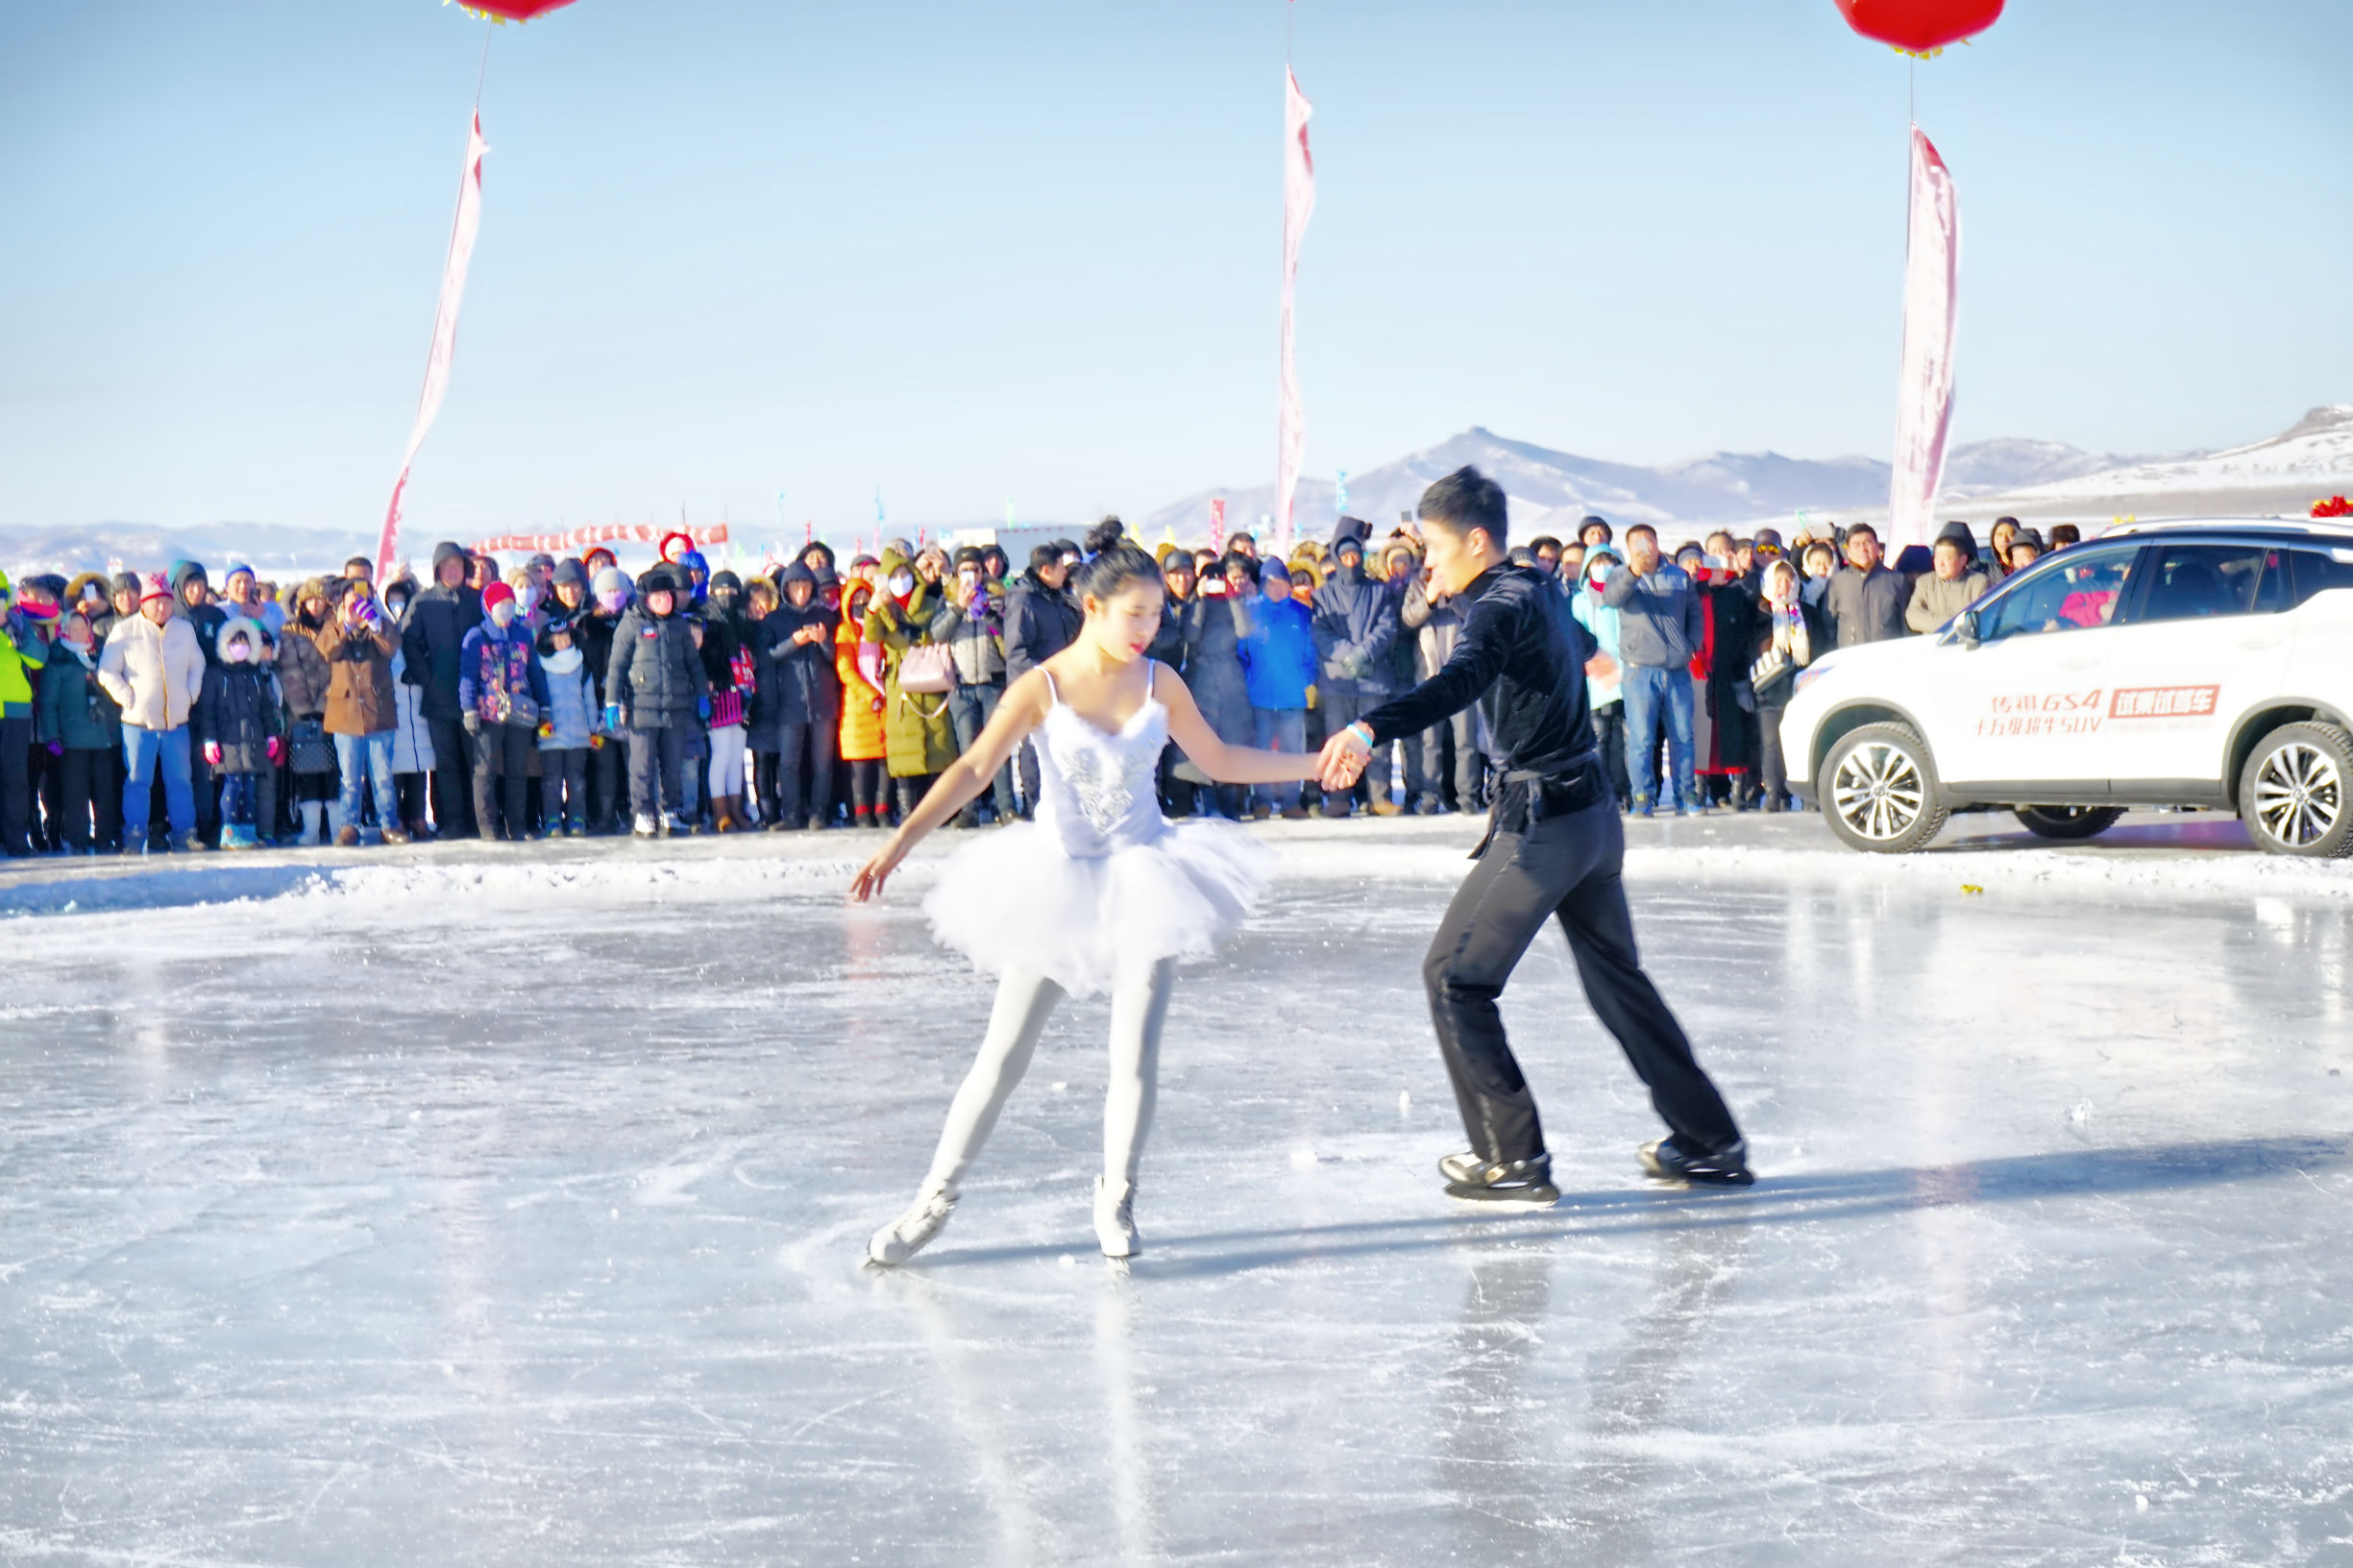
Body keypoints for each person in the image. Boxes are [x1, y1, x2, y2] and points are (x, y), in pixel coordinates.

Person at [851, 542, 1325, 1266]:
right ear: (1091, 607)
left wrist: (1313, 764)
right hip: (1057, 880)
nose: (1146, 628)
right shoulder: (1041, 685)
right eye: (1133, 614)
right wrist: (902, 841)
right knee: (1002, 1057)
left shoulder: (1160, 681)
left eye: (1157, 614)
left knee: (1134, 1054)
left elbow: (1219, 759)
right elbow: (977, 766)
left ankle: (1116, 1194)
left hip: (1146, 877)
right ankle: (932, 1202)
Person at [1319, 466, 1752, 1205]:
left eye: (1433, 547)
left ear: (1476, 541)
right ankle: (1710, 1139)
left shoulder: (1498, 603)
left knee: (1453, 978)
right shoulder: (1537, 587)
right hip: (1592, 819)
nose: (1425, 563)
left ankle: (1510, 1156)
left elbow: (1458, 681)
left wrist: (1368, 725)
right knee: (1619, 985)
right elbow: (1583, 643)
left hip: (1545, 823)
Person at [98, 574, 207, 854]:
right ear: (144, 604)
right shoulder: (125, 631)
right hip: (138, 723)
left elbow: (198, 664)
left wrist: (190, 693)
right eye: (155, 603)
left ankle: (185, 833)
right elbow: (107, 672)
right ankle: (134, 836)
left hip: (176, 723)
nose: (161, 608)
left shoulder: (184, 630)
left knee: (180, 780)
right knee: (137, 780)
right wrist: (128, 698)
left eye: (166, 602)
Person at [1602, 524, 1703, 816]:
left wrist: (1691, 644)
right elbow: (1611, 599)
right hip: (1640, 670)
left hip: (1676, 669)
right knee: (1641, 738)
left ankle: (1687, 793)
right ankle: (1642, 796)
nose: (1644, 549)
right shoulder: (1620, 575)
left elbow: (1694, 612)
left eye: (1649, 543)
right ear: (1629, 548)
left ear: (1657, 544)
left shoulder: (1679, 576)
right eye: (1637, 544)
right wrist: (1634, 572)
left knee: (1683, 735)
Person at [1311, 525, 1405, 817]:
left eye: (1355, 555)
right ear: (1338, 559)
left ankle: (1379, 798)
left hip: (1372, 678)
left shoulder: (1379, 591)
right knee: (1337, 742)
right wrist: (1345, 654)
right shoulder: (1323, 595)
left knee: (1376, 744)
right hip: (1337, 681)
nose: (1351, 560)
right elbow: (1320, 630)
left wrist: (1364, 653)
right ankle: (1339, 799)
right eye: (1345, 556)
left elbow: (1387, 626)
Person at [606, 565, 707, 838]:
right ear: (645, 599)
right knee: (642, 765)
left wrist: (701, 695)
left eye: (668, 596)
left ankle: (670, 810)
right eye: (658, 596)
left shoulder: (679, 625)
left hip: (675, 707)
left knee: (672, 764)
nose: (664, 600)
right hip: (641, 709)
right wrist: (612, 702)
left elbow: (694, 664)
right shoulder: (631, 624)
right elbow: (616, 666)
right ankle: (642, 813)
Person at [866, 548, 957, 824]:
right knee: (904, 750)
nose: (901, 579)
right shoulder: (883, 609)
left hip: (931, 678)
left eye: (905, 574)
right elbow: (872, 636)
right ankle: (909, 811)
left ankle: (941, 810)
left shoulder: (929, 603)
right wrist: (872, 608)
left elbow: (948, 615)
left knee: (939, 742)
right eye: (895, 575)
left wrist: (944, 573)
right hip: (900, 684)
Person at [317, 581, 408, 845]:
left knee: (382, 774)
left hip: (378, 711)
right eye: (350, 604)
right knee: (349, 776)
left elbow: (391, 647)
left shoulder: (382, 626)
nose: (356, 609)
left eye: (361, 603)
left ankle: (389, 824)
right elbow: (327, 650)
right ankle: (349, 825)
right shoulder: (332, 628)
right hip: (345, 713)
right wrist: (345, 625)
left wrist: (376, 625)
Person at [402, 542, 482, 839]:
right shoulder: (422, 602)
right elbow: (408, 640)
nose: (453, 570)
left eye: (458, 565)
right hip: (438, 697)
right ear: (437, 570)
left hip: (474, 698)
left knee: (476, 763)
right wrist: (426, 676)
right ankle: (453, 822)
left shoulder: (478, 601)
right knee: (447, 765)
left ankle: (479, 821)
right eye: (446, 565)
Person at [931, 546, 1016, 827]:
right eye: (965, 570)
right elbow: (937, 633)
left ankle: (1006, 808)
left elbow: (1007, 634)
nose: (971, 575)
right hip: (962, 684)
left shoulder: (998, 597)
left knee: (998, 747)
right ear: (956, 572)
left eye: (976, 570)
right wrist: (959, 608)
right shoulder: (947, 600)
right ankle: (969, 809)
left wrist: (989, 614)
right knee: (968, 751)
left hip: (994, 680)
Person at [459, 580, 549, 841]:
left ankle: (516, 825)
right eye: (500, 604)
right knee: (484, 770)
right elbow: (467, 676)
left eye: (510, 604)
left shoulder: (523, 635)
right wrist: (468, 709)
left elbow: (534, 672)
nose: (506, 609)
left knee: (516, 770)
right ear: (489, 606)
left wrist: (544, 705)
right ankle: (488, 826)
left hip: (520, 711)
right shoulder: (476, 636)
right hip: (487, 713)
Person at [191, 617, 283, 851]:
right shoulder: (214, 675)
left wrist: (271, 735)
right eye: (235, 642)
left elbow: (265, 708)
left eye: (244, 641)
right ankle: (229, 830)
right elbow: (207, 710)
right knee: (231, 786)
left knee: (250, 786)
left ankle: (248, 828)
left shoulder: (254, 675)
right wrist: (210, 739)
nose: (239, 646)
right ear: (225, 644)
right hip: (228, 741)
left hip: (253, 741)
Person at [759, 562, 839, 831]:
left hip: (823, 700)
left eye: (805, 585)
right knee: (788, 763)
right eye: (795, 586)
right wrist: (795, 642)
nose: (801, 591)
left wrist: (823, 640)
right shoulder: (774, 620)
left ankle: (819, 813)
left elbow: (835, 657)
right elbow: (766, 656)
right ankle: (791, 814)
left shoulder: (825, 616)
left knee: (822, 763)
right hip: (790, 701)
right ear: (786, 590)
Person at [34, 611, 123, 853]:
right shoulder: (58, 660)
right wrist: (52, 736)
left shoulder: (102, 656)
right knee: (76, 794)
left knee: (105, 792)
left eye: (83, 628)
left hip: (104, 737)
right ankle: (77, 840)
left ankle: (106, 838)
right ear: (65, 631)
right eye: (73, 629)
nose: (79, 633)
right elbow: (48, 703)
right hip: (72, 740)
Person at [1237, 557, 1317, 820]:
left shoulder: (1301, 613)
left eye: (1284, 583)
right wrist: (1248, 680)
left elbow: (1311, 653)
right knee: (1260, 753)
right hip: (1259, 696)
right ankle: (1262, 801)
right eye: (1273, 584)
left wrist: (1307, 680)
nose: (1279, 588)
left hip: (1292, 696)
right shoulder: (1249, 611)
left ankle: (1291, 801)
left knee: (1292, 752)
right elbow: (1240, 654)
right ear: (1263, 585)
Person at [1749, 558, 1832, 812]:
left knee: (1806, 740)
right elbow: (1746, 649)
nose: (1784, 585)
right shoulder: (1759, 613)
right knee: (1771, 744)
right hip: (1769, 689)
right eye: (1779, 580)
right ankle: (1775, 794)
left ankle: (1810, 796)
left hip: (1803, 687)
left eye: (1789, 579)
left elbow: (1822, 647)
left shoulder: (1808, 613)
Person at [1004, 543, 1082, 813]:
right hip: (1038, 686)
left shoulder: (1055, 596)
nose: (1066, 572)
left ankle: (1064, 805)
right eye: (1062, 567)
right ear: (1046, 570)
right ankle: (1034, 804)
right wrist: (1045, 679)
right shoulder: (1024, 599)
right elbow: (1016, 651)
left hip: (1063, 685)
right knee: (1036, 747)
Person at [1569, 549, 1631, 812]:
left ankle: (1624, 789)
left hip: (1627, 673)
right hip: (1596, 674)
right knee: (1600, 736)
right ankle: (1602, 791)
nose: (1603, 567)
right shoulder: (1580, 601)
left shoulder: (1626, 598)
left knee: (1624, 737)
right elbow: (1575, 637)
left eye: (1609, 562)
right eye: (1597, 563)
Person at [278, 578, 338, 845]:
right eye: (310, 600)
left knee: (335, 772)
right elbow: (290, 673)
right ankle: (311, 829)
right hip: (302, 715)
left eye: (320, 599)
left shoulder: (335, 628)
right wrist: (304, 709)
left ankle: (337, 828)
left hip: (334, 711)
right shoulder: (290, 631)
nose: (315, 605)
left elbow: (339, 670)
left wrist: (328, 704)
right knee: (308, 771)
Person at [382, 577, 438, 840]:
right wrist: (398, 675)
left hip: (417, 700)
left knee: (419, 762)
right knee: (394, 765)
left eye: (401, 599)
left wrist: (420, 674)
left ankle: (417, 815)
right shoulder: (381, 628)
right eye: (391, 600)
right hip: (391, 702)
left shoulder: (420, 625)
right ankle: (396, 819)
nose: (397, 605)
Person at [0, 573, 50, 855]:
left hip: (16, 712)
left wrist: (15, 634)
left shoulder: (18, 624)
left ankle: (16, 840)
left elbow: (38, 658)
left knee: (15, 778)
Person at [834, 580, 890, 827]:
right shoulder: (845, 631)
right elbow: (845, 670)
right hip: (858, 704)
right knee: (860, 763)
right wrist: (870, 694)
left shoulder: (881, 628)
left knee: (884, 760)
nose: (860, 603)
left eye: (865, 598)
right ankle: (861, 811)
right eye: (855, 599)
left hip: (885, 699)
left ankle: (883, 809)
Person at [535, 614, 598, 836]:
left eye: (565, 636)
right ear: (547, 641)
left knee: (577, 780)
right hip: (551, 737)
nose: (562, 640)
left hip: (579, 735)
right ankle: (552, 819)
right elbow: (537, 699)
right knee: (551, 781)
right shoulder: (540, 666)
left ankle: (577, 819)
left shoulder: (582, 665)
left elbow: (590, 701)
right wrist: (541, 724)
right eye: (556, 637)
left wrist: (593, 731)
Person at [1823, 523, 1907, 649]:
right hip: (1850, 657)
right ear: (1848, 551)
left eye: (1867, 542)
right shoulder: (1837, 582)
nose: (1863, 548)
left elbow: (1906, 625)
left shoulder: (1896, 580)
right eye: (1856, 545)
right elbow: (1828, 626)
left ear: (1877, 547)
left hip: (1888, 655)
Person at [1906, 523, 1994, 633]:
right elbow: (1913, 616)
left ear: (1963, 560)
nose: (1941, 563)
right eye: (1937, 557)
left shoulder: (1979, 583)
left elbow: (1982, 617)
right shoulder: (1925, 583)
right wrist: (1953, 623)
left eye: (1947, 558)